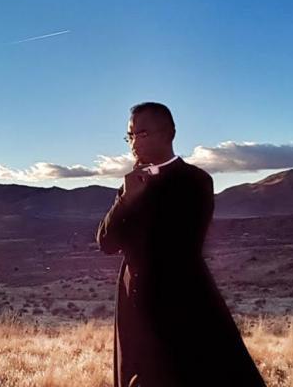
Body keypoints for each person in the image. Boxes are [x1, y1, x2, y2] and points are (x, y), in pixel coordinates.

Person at [96, 102, 266, 387]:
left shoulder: (196, 181)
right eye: (130, 135)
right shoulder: (130, 185)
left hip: (182, 300)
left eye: (142, 133)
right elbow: (106, 242)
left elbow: (178, 243)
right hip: (132, 301)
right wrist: (126, 199)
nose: (134, 142)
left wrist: (138, 206)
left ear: (169, 133)